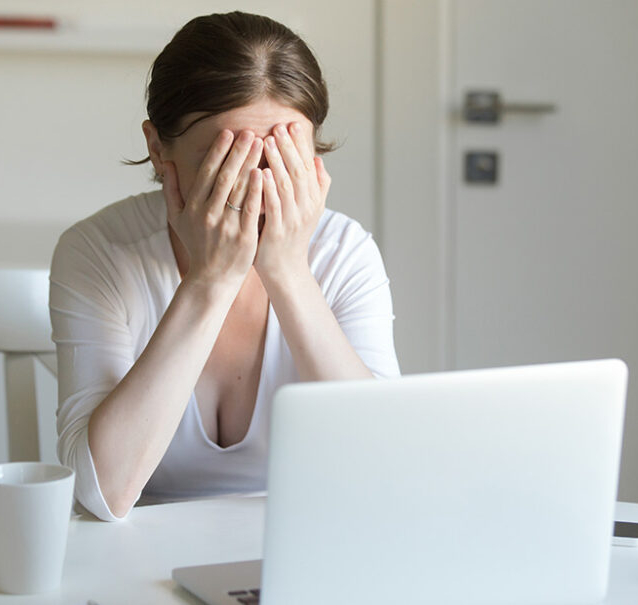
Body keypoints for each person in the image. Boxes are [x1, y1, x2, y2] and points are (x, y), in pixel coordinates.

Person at [50, 11, 400, 522]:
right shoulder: (97, 251)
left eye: (281, 163)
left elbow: (388, 467)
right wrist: (209, 282)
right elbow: (103, 493)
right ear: (156, 149)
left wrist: (288, 273)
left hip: (302, 544)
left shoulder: (345, 254)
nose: (255, 190)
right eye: (225, 163)